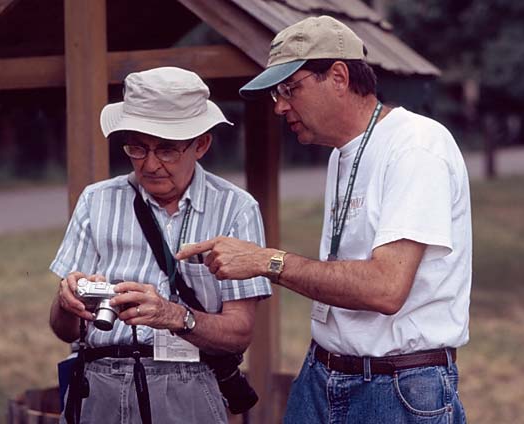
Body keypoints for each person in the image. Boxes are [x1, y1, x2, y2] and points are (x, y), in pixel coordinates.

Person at [177, 15, 471, 423]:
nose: (279, 106)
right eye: (276, 94)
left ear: (337, 76)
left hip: (397, 385)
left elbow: (386, 289)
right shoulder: (341, 154)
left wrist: (267, 261)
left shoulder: (417, 146)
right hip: (324, 371)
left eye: (288, 89)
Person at [49, 66, 271, 424]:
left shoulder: (236, 209)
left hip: (189, 385)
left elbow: (239, 334)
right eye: (137, 147)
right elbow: (63, 330)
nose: (150, 165)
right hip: (98, 382)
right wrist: (66, 302)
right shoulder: (97, 201)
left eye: (167, 150)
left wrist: (173, 316)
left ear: (201, 144)